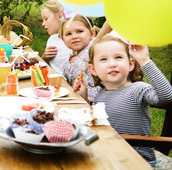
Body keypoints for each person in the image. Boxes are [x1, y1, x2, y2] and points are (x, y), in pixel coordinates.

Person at [74, 35, 172, 167]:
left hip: (135, 160)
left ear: (131, 64)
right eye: (103, 59)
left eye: (118, 57)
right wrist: (84, 98)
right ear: (93, 70)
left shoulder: (138, 90)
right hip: (107, 154)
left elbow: (167, 97)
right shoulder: (100, 94)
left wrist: (144, 60)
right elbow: (98, 122)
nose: (112, 64)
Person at [59, 14, 98, 100]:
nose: (74, 37)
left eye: (79, 31)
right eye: (68, 34)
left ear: (92, 34)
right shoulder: (67, 61)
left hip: (94, 101)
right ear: (63, 39)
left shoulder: (93, 49)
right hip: (76, 101)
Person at [40, 0, 72, 75]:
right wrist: (44, 58)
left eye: (46, 19)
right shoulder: (52, 40)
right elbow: (49, 67)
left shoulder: (74, 40)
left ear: (60, 15)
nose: (43, 24)